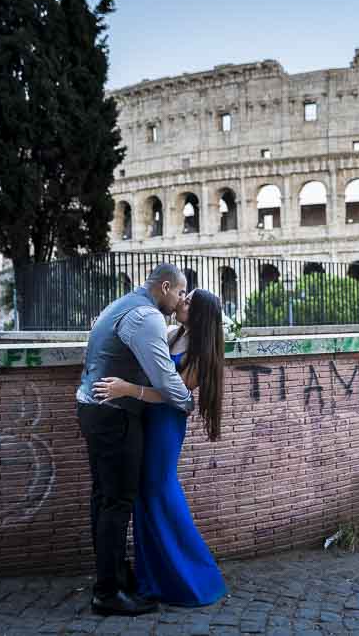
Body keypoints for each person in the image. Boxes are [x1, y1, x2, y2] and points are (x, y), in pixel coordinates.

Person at [92, 288, 227, 608]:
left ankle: (193, 577)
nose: (182, 302)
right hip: (145, 418)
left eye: (189, 301)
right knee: (142, 494)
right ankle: (153, 578)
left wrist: (127, 389)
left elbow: (173, 394)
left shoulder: (201, 350)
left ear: (200, 313)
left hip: (165, 424)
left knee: (159, 491)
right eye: (184, 297)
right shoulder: (171, 333)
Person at [75, 264, 194, 616]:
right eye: (179, 292)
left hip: (94, 409)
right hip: (115, 415)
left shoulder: (123, 304)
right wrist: (187, 402)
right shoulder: (146, 317)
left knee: (104, 498)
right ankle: (107, 593)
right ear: (166, 286)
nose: (180, 299)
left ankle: (114, 577)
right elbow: (165, 376)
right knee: (117, 502)